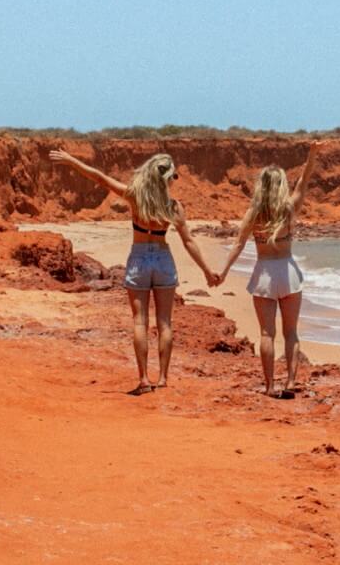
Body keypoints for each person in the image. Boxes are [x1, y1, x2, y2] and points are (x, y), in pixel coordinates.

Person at [46, 148, 216, 394]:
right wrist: (208, 271)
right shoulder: (174, 207)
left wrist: (72, 161)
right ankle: (164, 378)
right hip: (163, 258)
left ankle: (144, 378)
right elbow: (188, 241)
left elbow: (99, 178)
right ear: (167, 178)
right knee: (165, 323)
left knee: (140, 322)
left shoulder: (135, 196)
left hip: (138, 258)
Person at [210, 144, 315, 397]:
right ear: (281, 185)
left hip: (265, 275)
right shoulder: (289, 208)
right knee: (291, 332)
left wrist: (223, 272)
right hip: (288, 274)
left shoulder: (254, 213)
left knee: (267, 333)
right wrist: (313, 154)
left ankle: (269, 386)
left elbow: (238, 244)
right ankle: (290, 382)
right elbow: (304, 180)